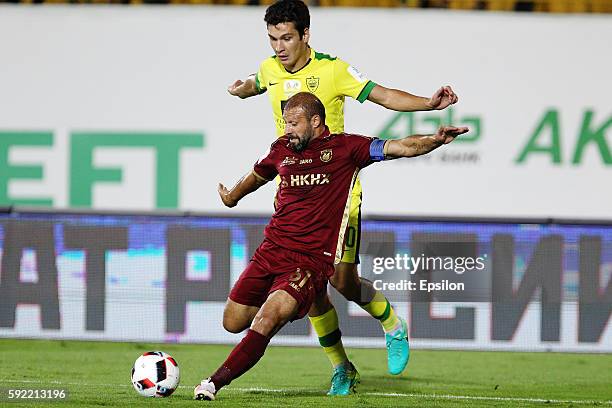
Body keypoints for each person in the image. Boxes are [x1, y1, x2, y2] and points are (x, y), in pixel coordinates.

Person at [227, 0, 459, 393]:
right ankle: (342, 367)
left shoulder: (333, 70)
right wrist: (243, 89)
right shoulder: (270, 68)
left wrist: (427, 104)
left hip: (338, 197)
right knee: (310, 289)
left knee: (343, 282)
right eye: (272, 39)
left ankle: (391, 323)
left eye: (286, 38)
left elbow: (382, 94)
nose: (279, 47)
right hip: (295, 196)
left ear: (305, 35)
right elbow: (258, 81)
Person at [195, 92, 468, 401]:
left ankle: (212, 384)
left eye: (294, 124)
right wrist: (232, 196)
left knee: (270, 317)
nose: (288, 130)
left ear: (316, 121)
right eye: (286, 123)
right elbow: (258, 175)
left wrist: (435, 139)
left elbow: (401, 147)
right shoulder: (282, 149)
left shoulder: (346, 148)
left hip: (310, 260)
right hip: (270, 251)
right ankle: (339, 359)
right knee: (233, 322)